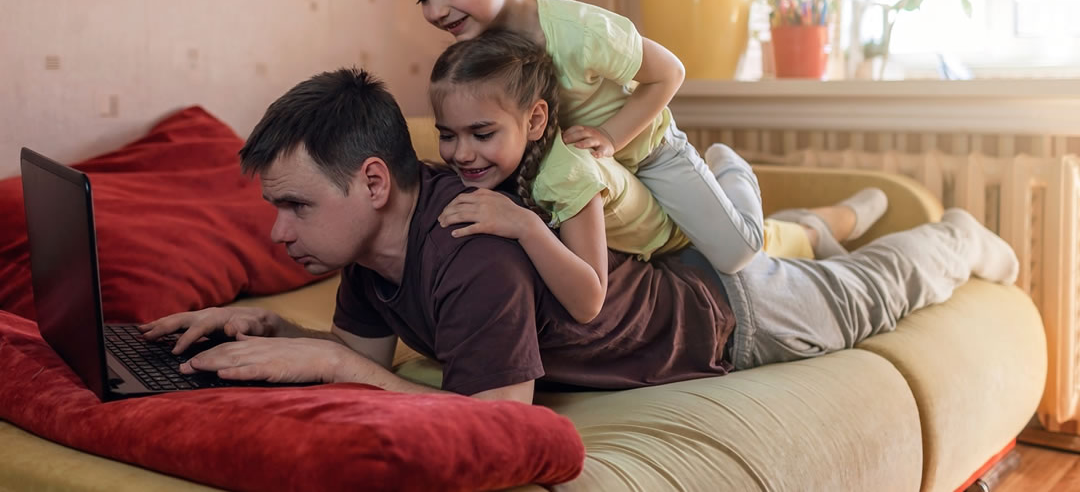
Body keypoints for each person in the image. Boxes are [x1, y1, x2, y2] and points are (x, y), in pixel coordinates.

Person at [140, 68, 1019, 404]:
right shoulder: (370, 259)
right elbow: (370, 360)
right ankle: (818, 224)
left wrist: (331, 364)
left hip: (731, 320)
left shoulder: (474, 249)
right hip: (694, 281)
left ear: (374, 182)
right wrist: (272, 332)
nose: (275, 228)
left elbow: (497, 420)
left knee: (876, 291)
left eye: (294, 205)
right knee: (796, 245)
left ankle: (955, 233)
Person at [391, 0, 772, 275]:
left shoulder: (581, 31)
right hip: (593, 174)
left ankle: (730, 168)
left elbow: (669, 73)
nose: (434, 12)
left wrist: (611, 136)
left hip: (648, 151)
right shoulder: (477, 53)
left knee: (735, 254)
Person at [428, 29, 873, 324]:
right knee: (789, 229)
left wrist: (524, 226)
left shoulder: (565, 176)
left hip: (682, 240)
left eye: (481, 133)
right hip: (655, 219)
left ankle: (736, 171)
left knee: (761, 243)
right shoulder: (512, 157)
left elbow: (588, 301)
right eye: (446, 135)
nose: (461, 153)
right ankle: (820, 223)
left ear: (536, 121)